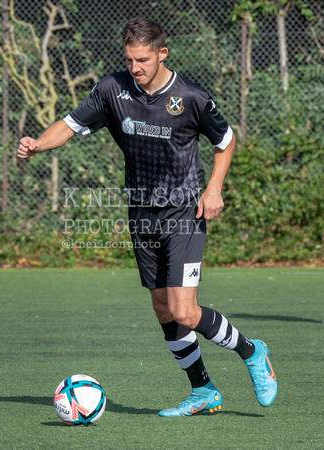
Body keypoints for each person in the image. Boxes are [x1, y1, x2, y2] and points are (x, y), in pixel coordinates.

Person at [17, 17, 277, 417]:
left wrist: (214, 189)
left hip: (184, 212)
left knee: (185, 311)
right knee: (162, 308)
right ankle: (203, 390)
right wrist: (38, 145)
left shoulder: (190, 96)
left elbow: (225, 142)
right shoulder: (112, 89)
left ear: (162, 53)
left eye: (142, 60)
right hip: (141, 213)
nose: (135, 68)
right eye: (129, 60)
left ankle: (252, 351)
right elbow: (69, 125)